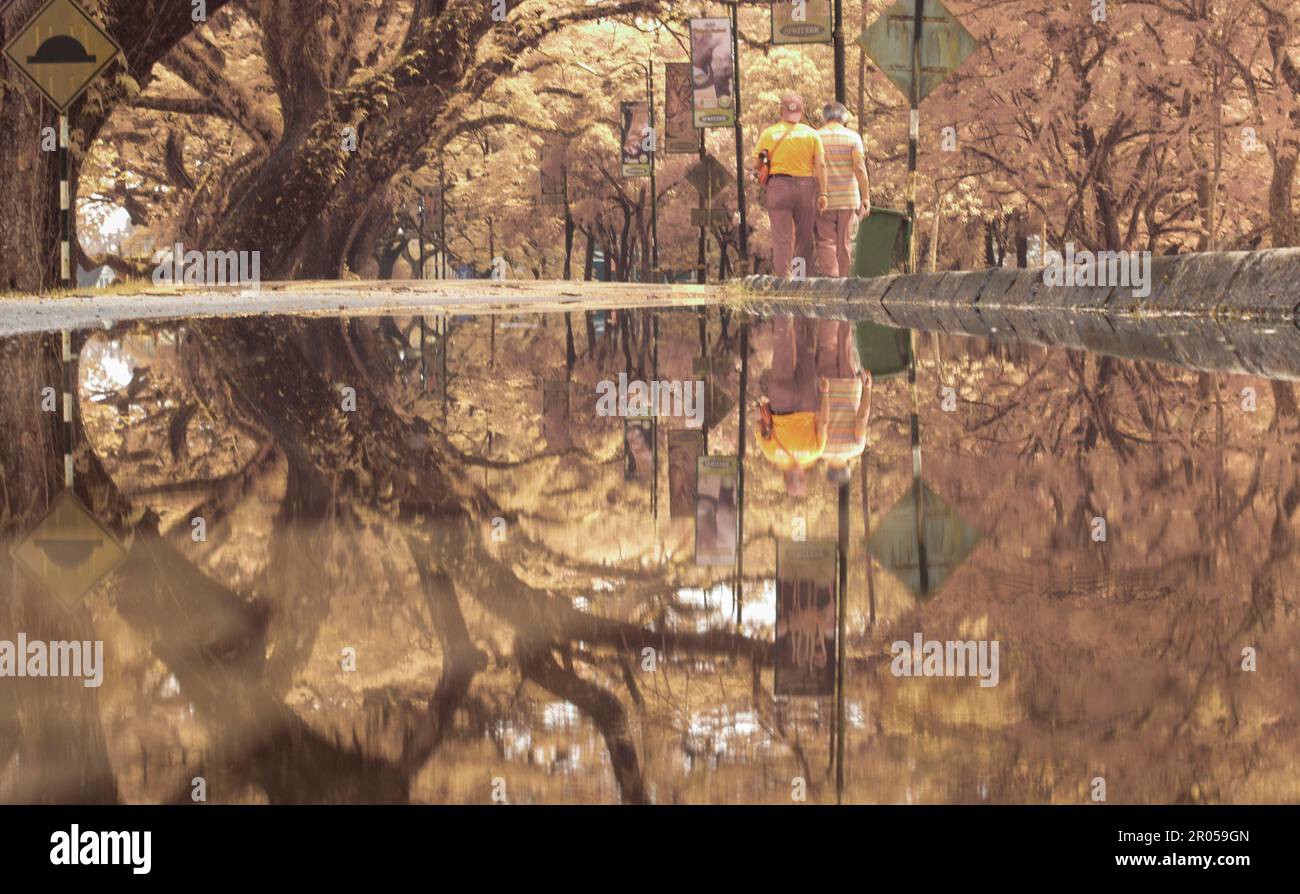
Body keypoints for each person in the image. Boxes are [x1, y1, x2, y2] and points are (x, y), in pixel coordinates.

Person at [747, 94, 827, 278]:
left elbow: (755, 163)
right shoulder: (811, 134)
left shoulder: (769, 133)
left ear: (781, 111)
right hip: (806, 186)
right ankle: (799, 279)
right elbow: (820, 165)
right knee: (803, 236)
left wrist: (765, 160)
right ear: (802, 112)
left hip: (779, 186)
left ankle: (784, 279)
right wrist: (823, 194)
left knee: (782, 237)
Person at [757, 314, 829, 496]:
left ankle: (807, 303)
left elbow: (824, 423)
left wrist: (825, 394)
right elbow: (758, 427)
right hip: (780, 402)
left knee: (805, 348)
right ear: (784, 477)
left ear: (803, 477)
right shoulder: (771, 454)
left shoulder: (815, 452)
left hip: (807, 402)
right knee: (783, 345)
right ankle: (783, 303)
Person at [814, 102, 871, 277]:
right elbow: (860, 168)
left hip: (824, 198)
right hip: (848, 198)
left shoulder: (816, 137)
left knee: (825, 241)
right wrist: (866, 197)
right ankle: (843, 280)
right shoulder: (853, 138)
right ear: (844, 117)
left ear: (825, 117)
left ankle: (831, 279)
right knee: (845, 242)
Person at [815, 319, 872, 486]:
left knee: (846, 342)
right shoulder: (820, 449)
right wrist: (824, 394)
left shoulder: (856, 448)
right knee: (827, 344)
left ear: (847, 468)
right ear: (828, 470)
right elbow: (822, 422)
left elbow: (861, 419)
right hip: (828, 387)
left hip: (850, 388)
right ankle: (830, 303)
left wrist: (867, 390)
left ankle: (844, 307)